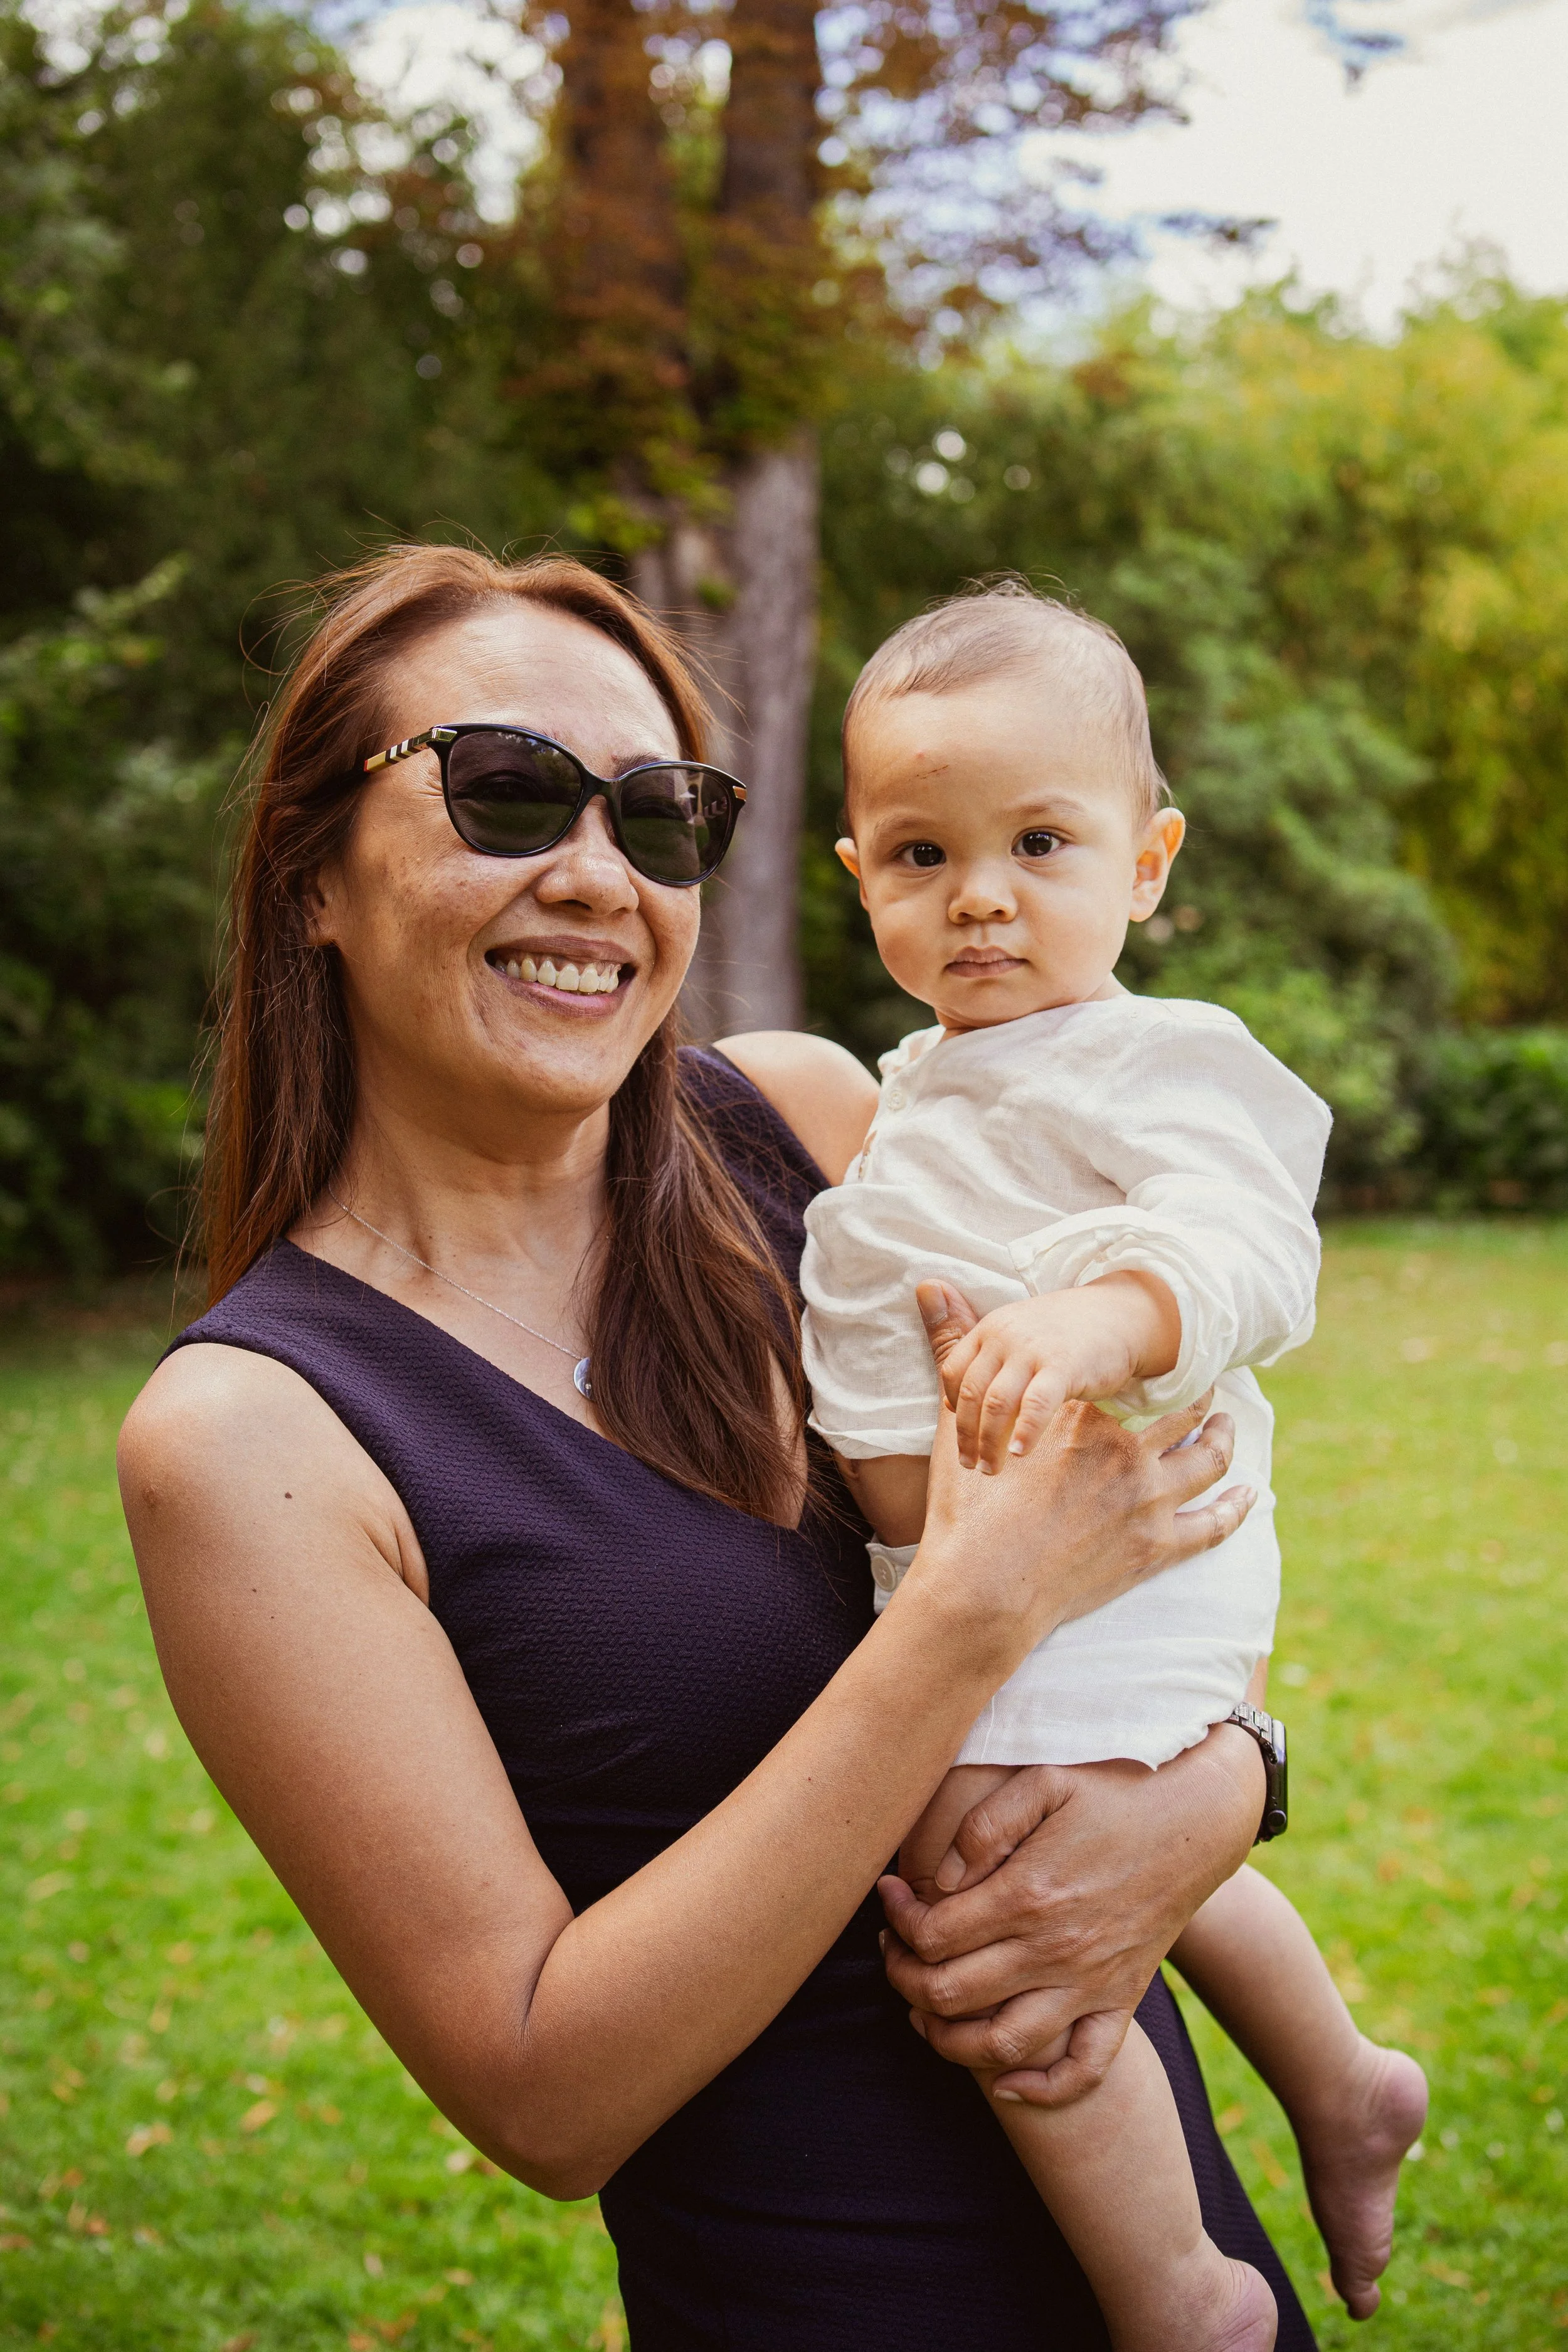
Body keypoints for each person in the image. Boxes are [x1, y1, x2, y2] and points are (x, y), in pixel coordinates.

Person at [118, 543, 1318, 2351]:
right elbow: (541, 2089)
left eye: (660, 814)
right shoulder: (253, 1432)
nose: (597, 872)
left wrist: (1224, 1780)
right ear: (313, 874)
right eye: (506, 790)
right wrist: (964, 1623)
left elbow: (1160, 1521)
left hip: (1172, 2262)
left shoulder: (824, 1130)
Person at [798, 581, 1429, 2348]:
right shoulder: (913, 1089)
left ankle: (1176, 2287)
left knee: (976, 1870)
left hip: (1135, 1534)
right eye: (920, 853)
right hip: (983, 1555)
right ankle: (1342, 2076)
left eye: (1040, 841)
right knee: (1100, 1827)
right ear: (860, 878)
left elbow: (1246, 1242)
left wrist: (1105, 1318)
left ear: (1144, 864)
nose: (980, 893)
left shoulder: (1157, 1059)